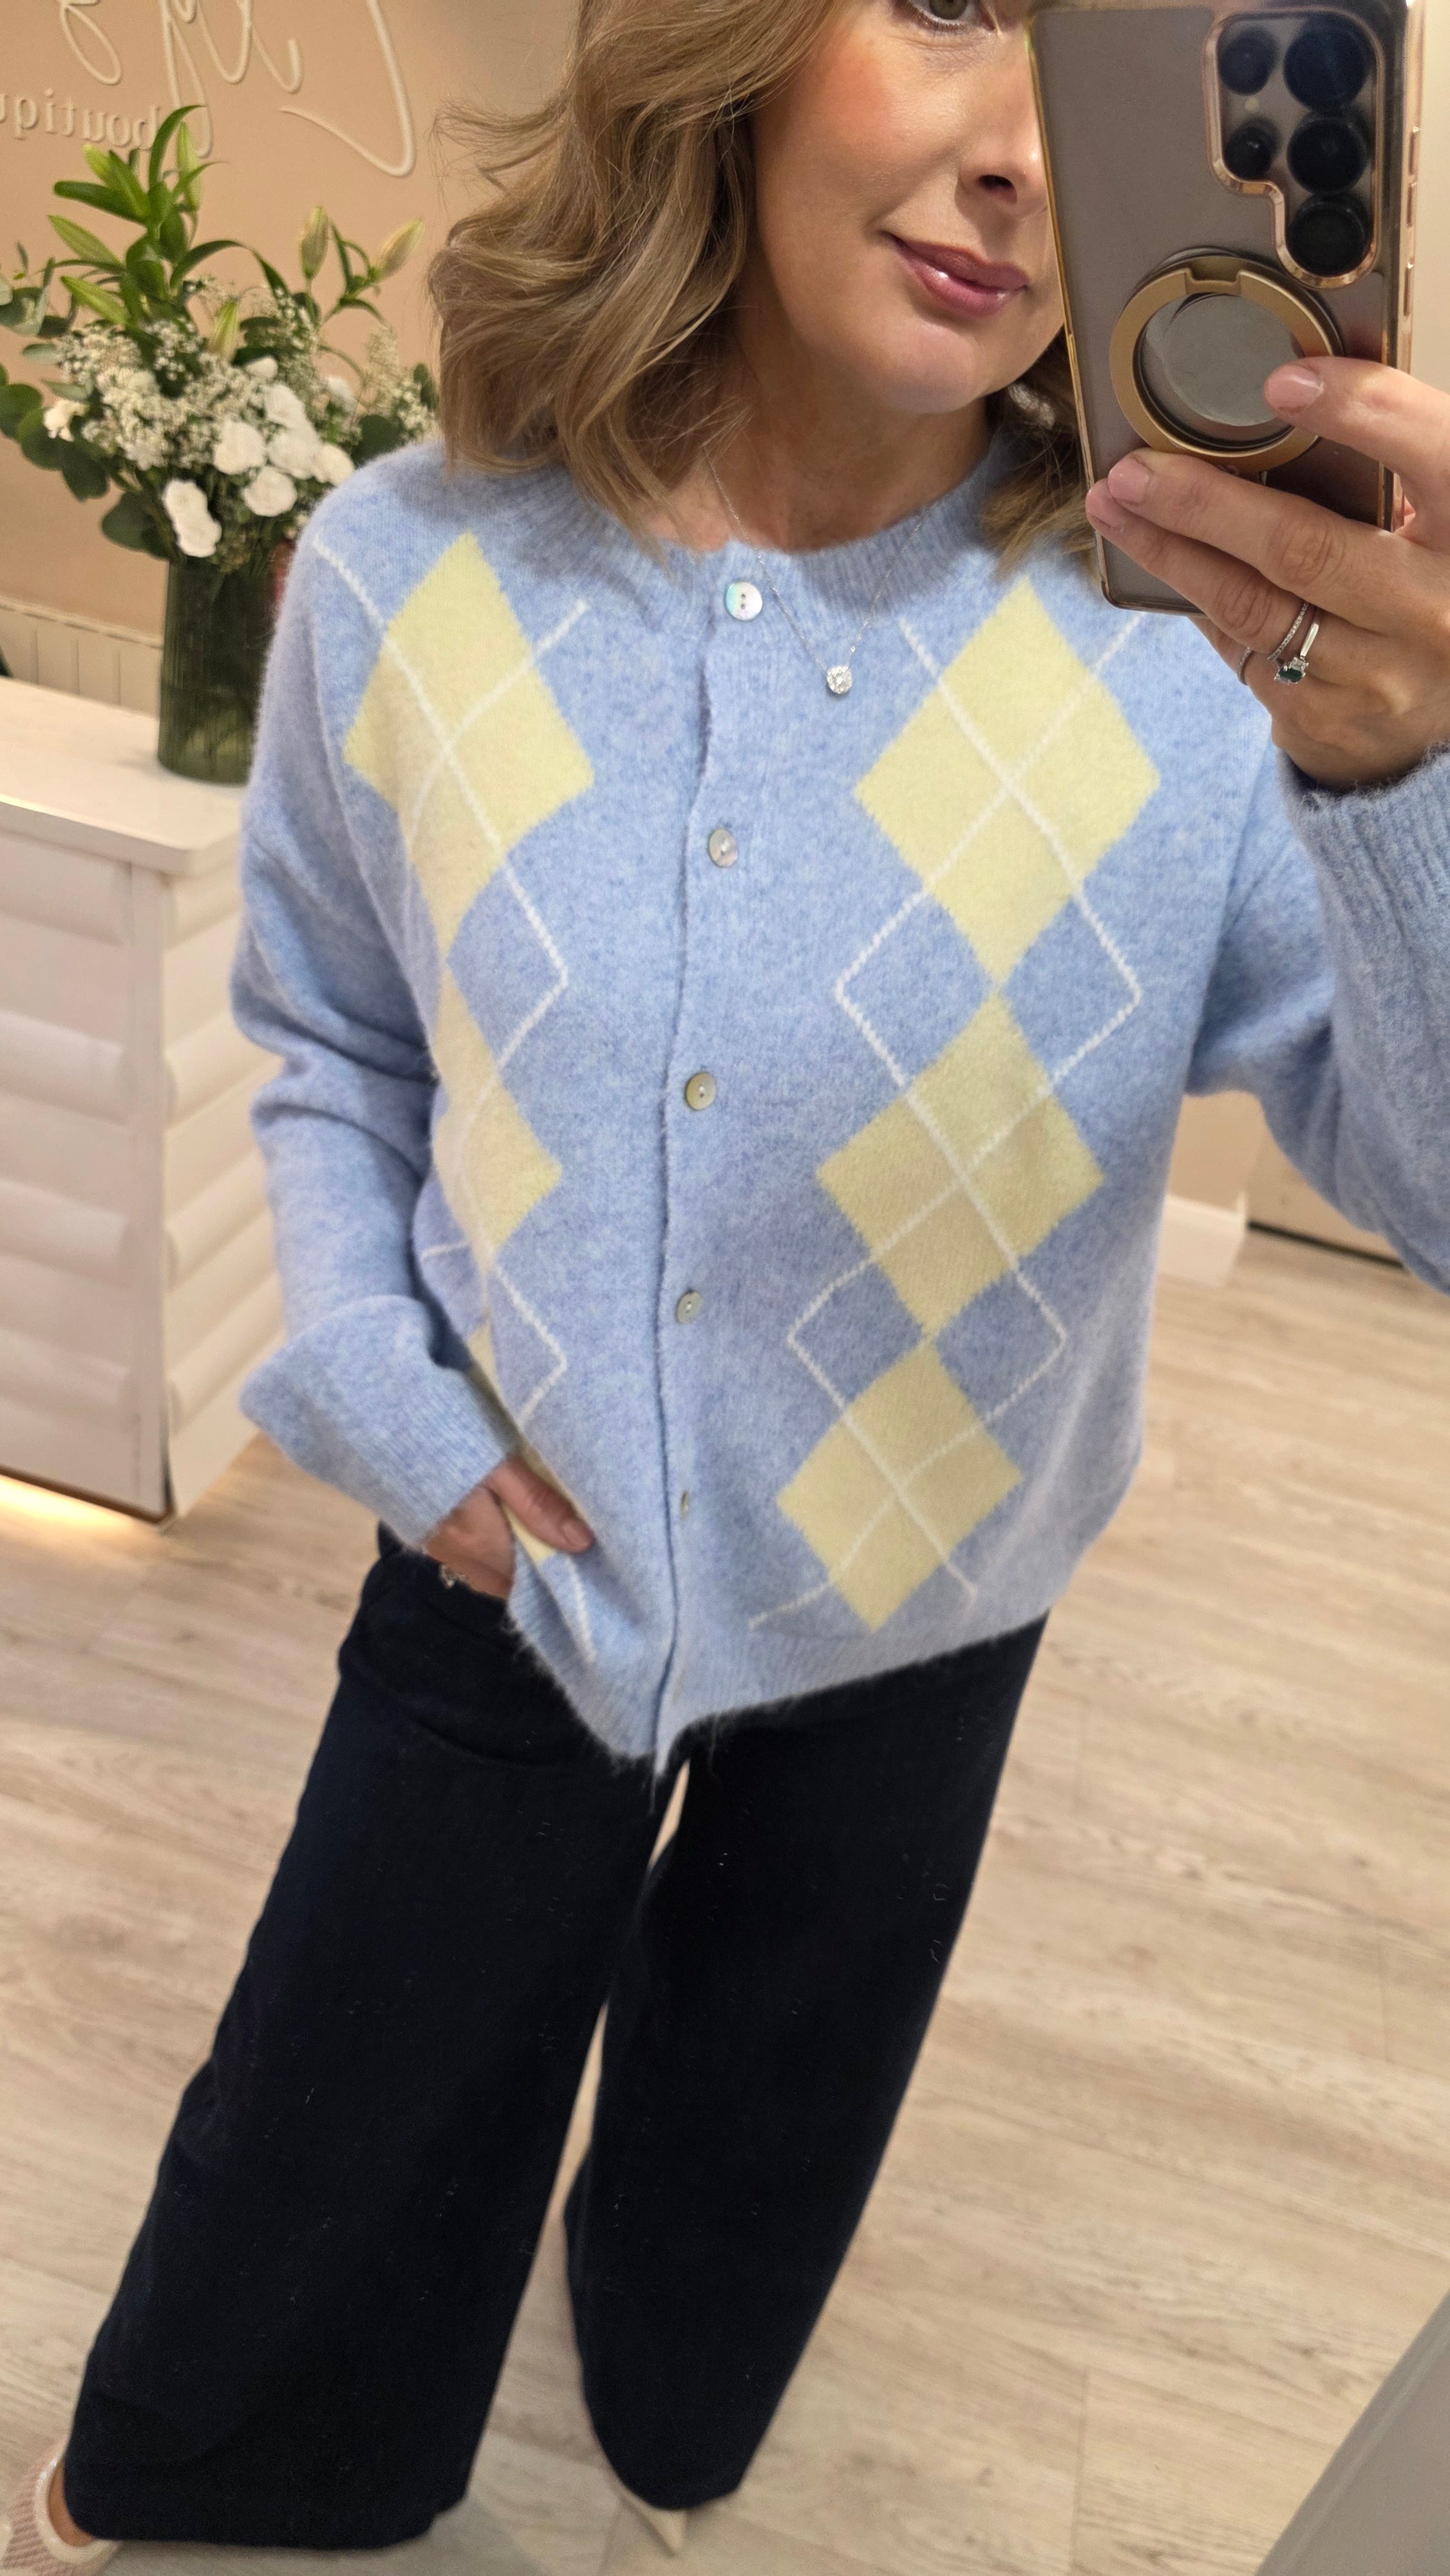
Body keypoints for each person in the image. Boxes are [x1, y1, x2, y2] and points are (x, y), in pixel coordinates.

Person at [9, 0, 1450, 2562]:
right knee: (333, 2130)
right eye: (951, 5)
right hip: (503, 1550)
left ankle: (670, 2393)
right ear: (739, 47)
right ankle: (237, 2479)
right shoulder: (408, 568)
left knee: (759, 2136)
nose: (1023, 158)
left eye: (1106, 62)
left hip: (929, 1594)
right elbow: (331, 1034)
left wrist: (1396, 778)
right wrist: (368, 1384)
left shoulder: (1202, 659)